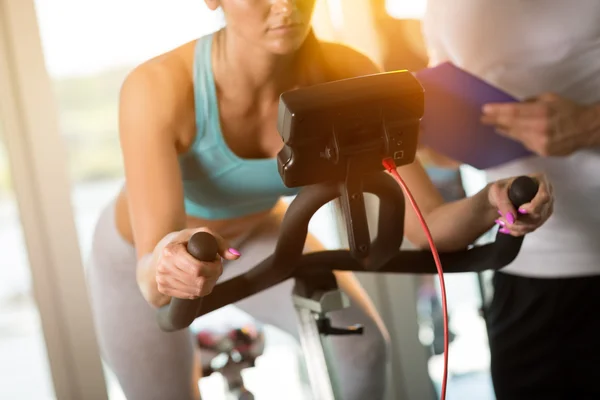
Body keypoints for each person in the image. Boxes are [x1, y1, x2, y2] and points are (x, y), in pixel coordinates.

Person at [86, 1, 554, 400]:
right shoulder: (159, 88)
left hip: (260, 236)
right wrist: (169, 264)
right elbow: (153, 277)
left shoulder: (348, 73)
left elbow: (429, 223)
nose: (285, 5)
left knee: (362, 344)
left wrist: (492, 203)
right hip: (141, 259)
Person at [421, 1, 600, 399]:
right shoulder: (441, 8)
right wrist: (432, 138)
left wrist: (589, 124)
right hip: (520, 264)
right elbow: (449, 144)